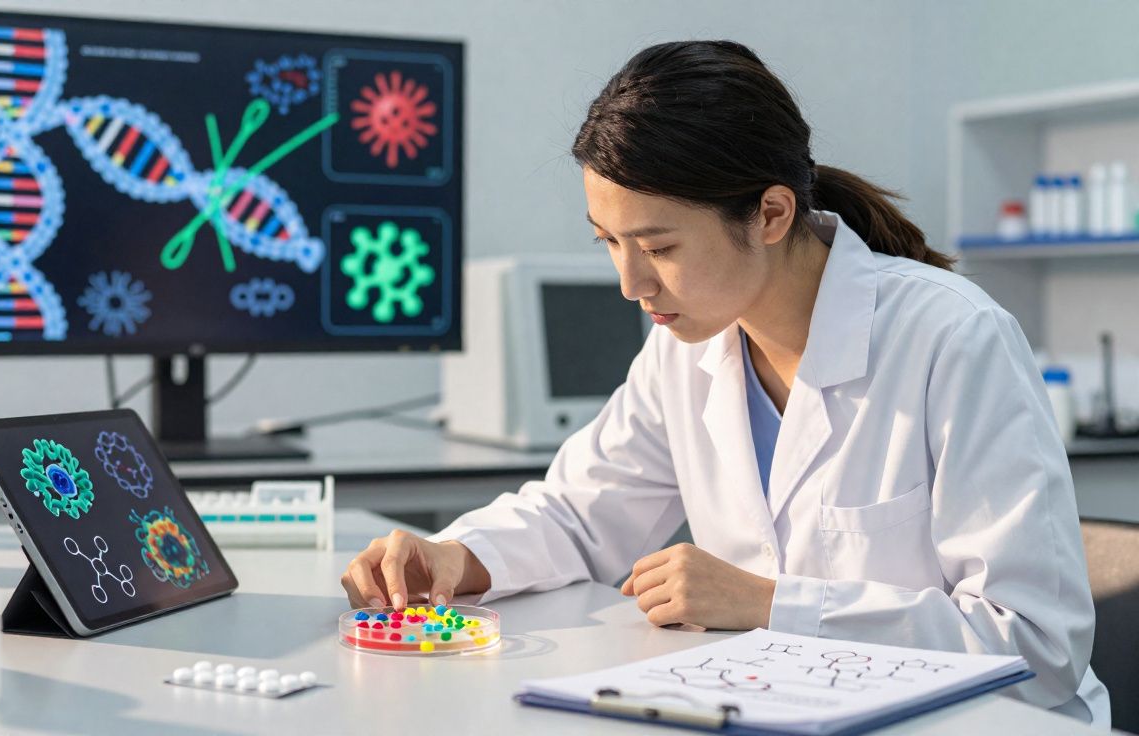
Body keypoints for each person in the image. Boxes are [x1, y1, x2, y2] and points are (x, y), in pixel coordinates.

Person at [340, 40, 1108, 726]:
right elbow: (579, 514)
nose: (631, 283)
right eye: (609, 243)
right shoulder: (689, 346)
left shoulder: (953, 338)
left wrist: (771, 604)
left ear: (771, 213)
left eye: (659, 246)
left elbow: (1035, 647)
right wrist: (453, 556)